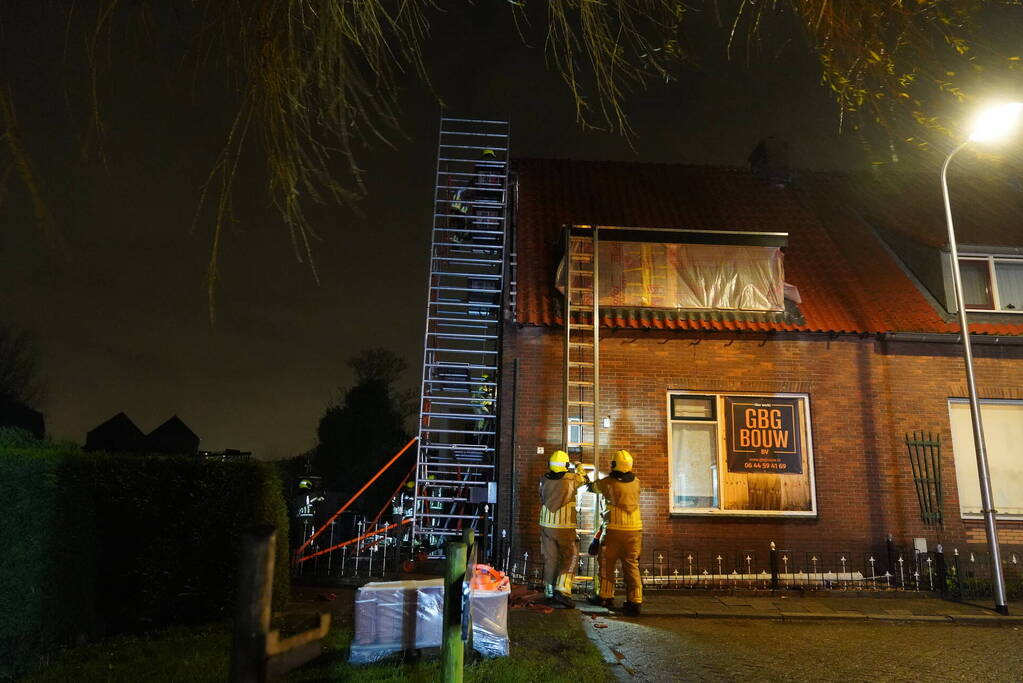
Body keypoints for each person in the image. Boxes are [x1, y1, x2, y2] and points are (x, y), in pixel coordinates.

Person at [588, 449, 643, 616]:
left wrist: (584, 474)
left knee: (606, 564)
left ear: (614, 464)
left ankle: (605, 596)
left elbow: (592, 487)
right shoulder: (637, 482)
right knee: (632, 566)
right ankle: (635, 601)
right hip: (635, 531)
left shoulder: (607, 483)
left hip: (613, 530)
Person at [538, 450, 586, 608]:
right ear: (566, 465)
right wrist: (579, 467)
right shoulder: (572, 479)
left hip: (546, 526)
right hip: (564, 527)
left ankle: (550, 593)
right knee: (571, 556)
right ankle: (562, 591)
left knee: (550, 560)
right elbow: (584, 479)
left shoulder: (544, 480)